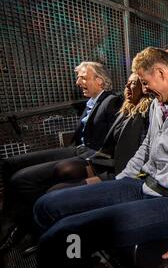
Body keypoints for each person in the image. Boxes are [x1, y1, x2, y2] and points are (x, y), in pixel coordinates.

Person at [33, 47, 168, 268]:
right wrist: (119, 184)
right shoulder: (157, 105)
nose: (144, 89)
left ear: (161, 73)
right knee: (46, 205)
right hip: (143, 184)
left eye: (145, 82)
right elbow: (146, 147)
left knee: (64, 235)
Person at [0, 62, 122, 253]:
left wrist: (92, 161)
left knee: (21, 179)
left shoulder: (112, 101)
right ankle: (18, 221)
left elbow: (113, 145)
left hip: (87, 154)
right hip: (76, 149)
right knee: (9, 163)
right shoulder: (92, 101)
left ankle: (29, 227)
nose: (77, 81)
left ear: (99, 80)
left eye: (83, 77)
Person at [47, 73, 151, 191]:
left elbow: (143, 152)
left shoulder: (147, 113)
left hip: (122, 168)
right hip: (108, 161)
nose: (127, 86)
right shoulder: (126, 109)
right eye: (127, 82)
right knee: (63, 171)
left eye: (132, 83)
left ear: (144, 87)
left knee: (58, 187)